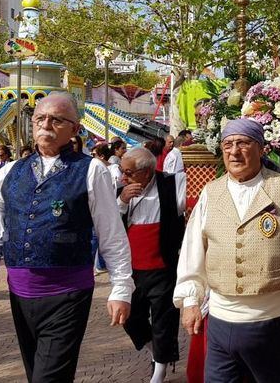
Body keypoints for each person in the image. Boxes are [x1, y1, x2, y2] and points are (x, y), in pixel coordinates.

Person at [0, 92, 133, 382]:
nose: (46, 125)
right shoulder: (9, 173)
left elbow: (111, 234)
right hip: (19, 293)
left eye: (56, 120)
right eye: (40, 118)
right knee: (35, 374)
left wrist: (121, 288)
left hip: (68, 294)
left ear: (74, 129)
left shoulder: (91, 170)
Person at [174, 118, 280, 383]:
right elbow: (192, 250)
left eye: (243, 143)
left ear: (261, 148)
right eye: (228, 144)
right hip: (220, 321)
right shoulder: (210, 193)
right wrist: (190, 300)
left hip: (271, 321)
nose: (234, 151)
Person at [119, 147, 186, 383]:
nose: (123, 177)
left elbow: (187, 207)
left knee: (163, 320)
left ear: (146, 172)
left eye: (128, 172)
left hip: (163, 265)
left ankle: (160, 369)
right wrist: (123, 200)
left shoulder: (170, 184)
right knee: (129, 317)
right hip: (132, 268)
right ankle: (155, 352)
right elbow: (111, 225)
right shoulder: (121, 191)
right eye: (121, 171)